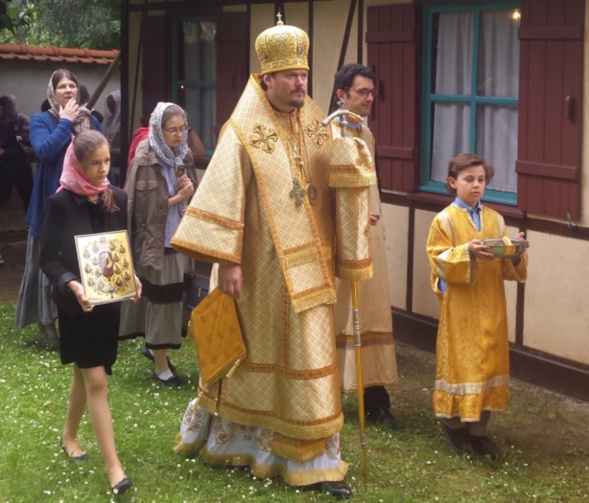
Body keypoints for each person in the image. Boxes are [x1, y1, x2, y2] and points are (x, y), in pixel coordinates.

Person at [171, 18, 374, 500]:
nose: (300, 83)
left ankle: (315, 457)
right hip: (259, 270)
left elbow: (334, 186)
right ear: (267, 79)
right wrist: (231, 261)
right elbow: (223, 196)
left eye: (304, 74)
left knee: (311, 355)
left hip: (314, 267)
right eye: (290, 76)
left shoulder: (318, 124)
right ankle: (253, 445)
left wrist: (353, 192)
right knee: (255, 357)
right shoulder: (242, 131)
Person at [39, 130, 141, 495]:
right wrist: (72, 283)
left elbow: (120, 246)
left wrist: (132, 276)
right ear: (77, 163)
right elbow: (47, 258)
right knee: (97, 380)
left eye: (107, 162)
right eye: (94, 164)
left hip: (107, 303)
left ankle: (68, 435)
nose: (103, 170)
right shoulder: (60, 203)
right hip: (76, 305)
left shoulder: (118, 197)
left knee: (87, 374)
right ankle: (114, 468)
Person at [426, 152, 528, 460]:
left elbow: (509, 265)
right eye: (469, 179)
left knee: (489, 362)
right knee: (463, 362)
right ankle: (454, 424)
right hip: (461, 306)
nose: (476, 185)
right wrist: (466, 252)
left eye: (481, 179)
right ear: (453, 183)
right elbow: (437, 258)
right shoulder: (443, 220)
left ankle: (480, 431)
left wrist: (515, 251)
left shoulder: (495, 219)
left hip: (491, 301)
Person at [331, 64, 403, 431]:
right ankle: (328, 397)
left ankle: (375, 399)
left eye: (372, 92)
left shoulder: (366, 133)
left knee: (372, 311)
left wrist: (370, 213)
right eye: (362, 92)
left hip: (369, 234)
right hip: (339, 238)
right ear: (342, 93)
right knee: (339, 313)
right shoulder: (327, 132)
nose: (370, 98)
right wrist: (352, 216)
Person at [15, 69, 103, 350]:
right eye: (61, 86)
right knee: (46, 263)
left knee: (77, 261)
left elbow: (101, 154)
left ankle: (79, 317)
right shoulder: (42, 120)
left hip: (83, 204)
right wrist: (65, 122)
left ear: (78, 90)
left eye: (72, 85)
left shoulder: (91, 121)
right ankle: (45, 322)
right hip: (50, 205)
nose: (67, 90)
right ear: (52, 92)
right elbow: (43, 151)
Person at [119, 102, 197, 388]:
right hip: (156, 242)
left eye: (182, 129)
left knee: (173, 299)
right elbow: (142, 208)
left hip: (179, 238)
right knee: (163, 302)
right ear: (158, 129)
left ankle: (155, 348)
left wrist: (188, 192)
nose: (178, 135)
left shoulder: (183, 156)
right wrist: (180, 197)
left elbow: (190, 195)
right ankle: (162, 367)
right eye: (171, 130)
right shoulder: (144, 159)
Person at [0, 95, 34, 214]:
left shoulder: (21, 120)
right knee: (3, 198)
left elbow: (32, 146)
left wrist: (6, 152)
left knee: (27, 197)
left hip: (21, 166)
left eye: (1, 109)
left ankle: (31, 226)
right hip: (4, 167)